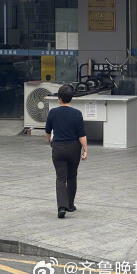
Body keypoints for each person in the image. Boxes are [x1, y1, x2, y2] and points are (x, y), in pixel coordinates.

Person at [45, 84, 87, 219]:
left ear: (59, 98)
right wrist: (85, 150)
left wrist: (49, 142)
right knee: (72, 176)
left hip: (58, 147)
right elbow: (81, 135)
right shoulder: (77, 113)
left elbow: (47, 131)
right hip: (74, 148)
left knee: (61, 178)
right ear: (71, 98)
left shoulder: (53, 112)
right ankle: (70, 204)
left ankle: (61, 207)